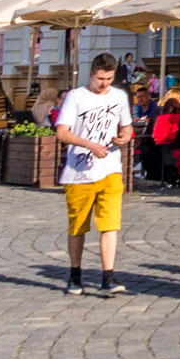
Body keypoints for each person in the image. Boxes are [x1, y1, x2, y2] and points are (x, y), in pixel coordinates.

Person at [54, 52, 134, 297]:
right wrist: (89, 144)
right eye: (101, 78)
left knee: (110, 225)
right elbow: (62, 133)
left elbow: (127, 125)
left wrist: (126, 137)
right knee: (78, 226)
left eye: (109, 79)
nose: (104, 83)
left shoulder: (119, 96)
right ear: (92, 74)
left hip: (110, 168)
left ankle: (108, 276)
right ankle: (75, 274)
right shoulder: (75, 97)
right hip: (79, 171)